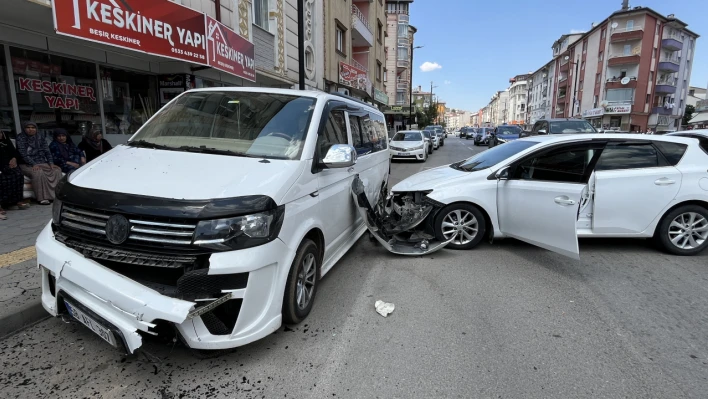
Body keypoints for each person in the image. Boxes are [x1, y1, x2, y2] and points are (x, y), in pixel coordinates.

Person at [15, 121, 63, 205]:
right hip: (26, 163)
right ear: (24, 128)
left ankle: (54, 196)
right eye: (28, 127)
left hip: (41, 161)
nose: (31, 129)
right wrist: (33, 164)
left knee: (56, 170)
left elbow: (47, 151)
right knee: (37, 172)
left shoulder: (40, 137)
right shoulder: (20, 138)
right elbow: (23, 154)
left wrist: (51, 163)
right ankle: (42, 198)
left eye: (33, 127)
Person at [0, 130, 30, 219]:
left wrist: (14, 159)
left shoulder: (6, 141)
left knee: (18, 175)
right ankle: (2, 204)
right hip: (1, 166)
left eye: (1, 132)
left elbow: (13, 153)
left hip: (8, 165)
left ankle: (16, 201)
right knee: (2, 179)